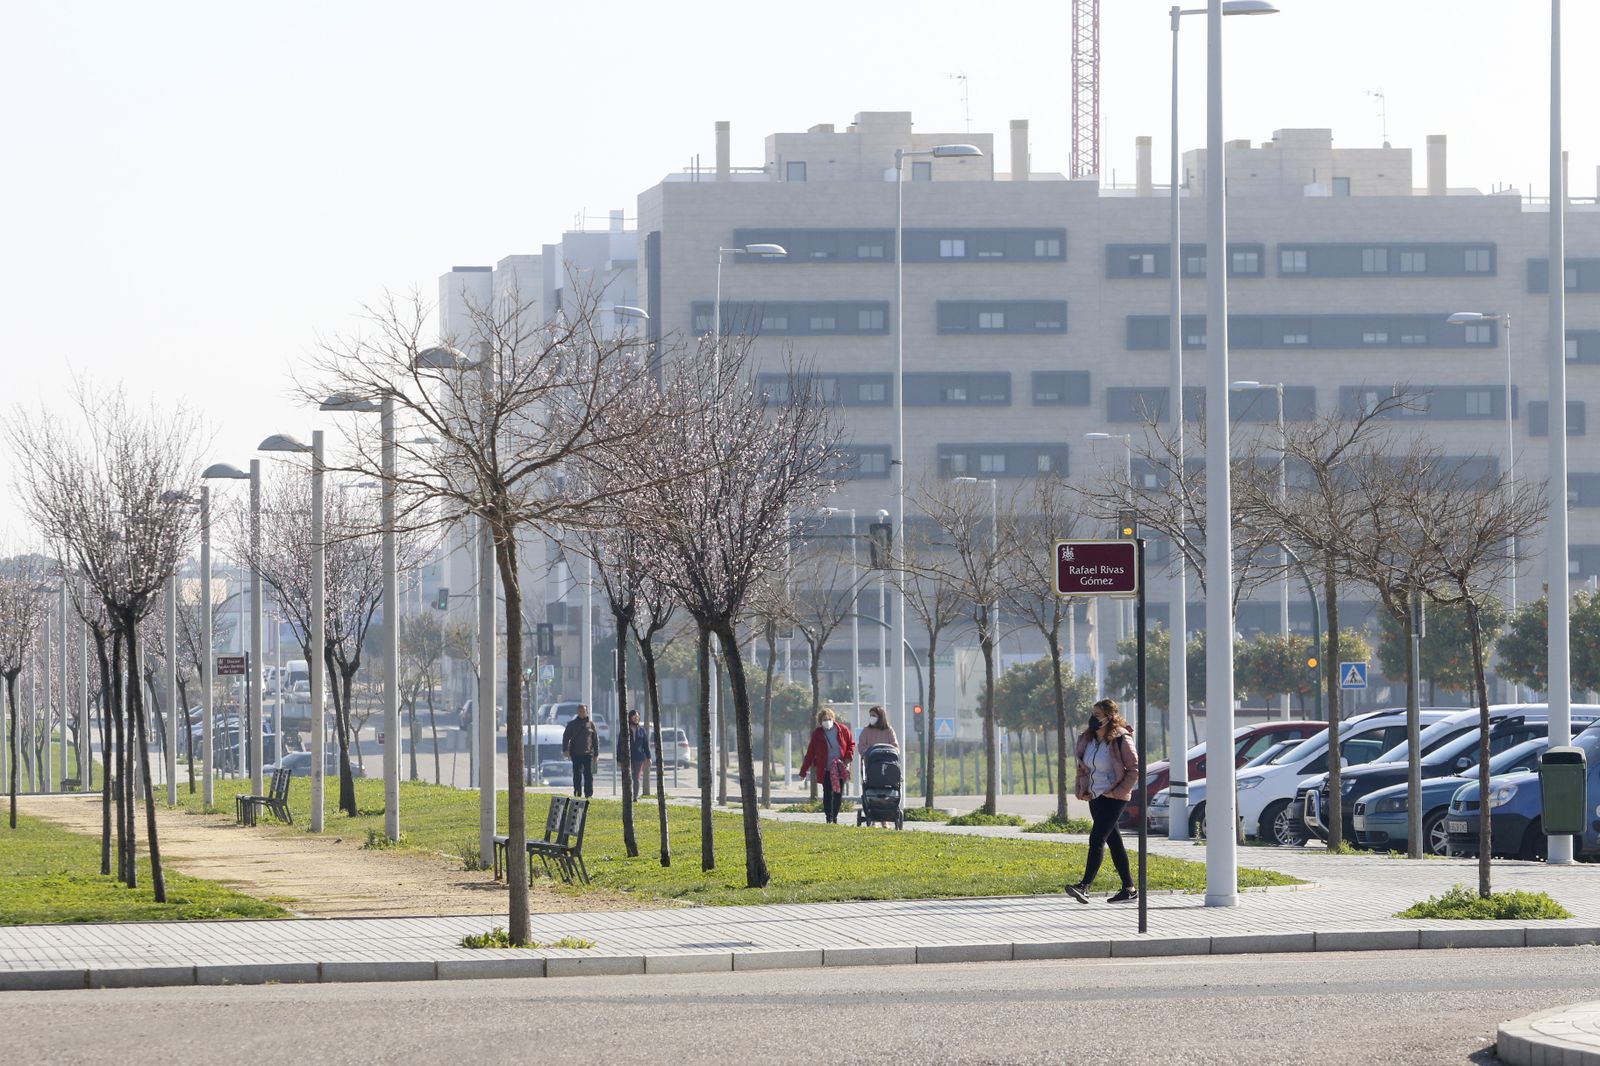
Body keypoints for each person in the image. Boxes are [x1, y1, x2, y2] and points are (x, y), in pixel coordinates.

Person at [1065, 698, 1141, 905]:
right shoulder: (1087, 739)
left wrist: (1118, 792)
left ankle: (1084, 887)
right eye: (1092, 714)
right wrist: (1083, 789)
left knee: (1096, 838)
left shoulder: (1120, 739)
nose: (1093, 719)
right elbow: (1083, 767)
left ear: (1110, 717)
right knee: (1114, 842)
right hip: (1095, 796)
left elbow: (1134, 770)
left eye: (1097, 715)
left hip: (1113, 797)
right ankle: (1129, 889)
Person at [798, 707, 855, 824]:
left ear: (833, 719)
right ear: (820, 721)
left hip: (839, 768)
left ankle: (834, 817)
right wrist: (803, 771)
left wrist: (848, 757)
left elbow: (851, 744)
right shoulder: (817, 734)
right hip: (825, 769)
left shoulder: (843, 730)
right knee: (827, 793)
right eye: (824, 719)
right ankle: (828, 817)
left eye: (829, 719)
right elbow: (810, 753)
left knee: (838, 794)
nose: (827, 721)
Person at [561, 704, 598, 799]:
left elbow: (595, 740)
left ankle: (588, 794)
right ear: (577, 712)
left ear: (587, 712)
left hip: (588, 754)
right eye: (580, 711)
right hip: (576, 754)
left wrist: (596, 754)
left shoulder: (591, 724)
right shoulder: (572, 724)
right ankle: (577, 792)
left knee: (588, 775)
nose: (582, 713)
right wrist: (565, 750)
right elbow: (565, 737)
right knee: (577, 775)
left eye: (584, 711)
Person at [626, 710, 651, 800]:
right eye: (634, 716)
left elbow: (645, 745)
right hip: (627, 757)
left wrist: (648, 757)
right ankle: (627, 795)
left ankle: (635, 796)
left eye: (637, 716)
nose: (636, 718)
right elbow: (620, 744)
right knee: (628, 778)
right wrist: (619, 758)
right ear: (630, 717)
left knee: (636, 778)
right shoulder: (625, 729)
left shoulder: (642, 730)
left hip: (639, 757)